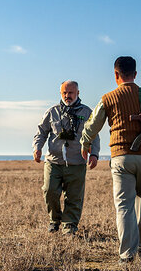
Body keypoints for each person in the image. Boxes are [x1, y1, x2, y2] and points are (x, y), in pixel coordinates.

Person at [80, 56, 141, 262]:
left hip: (121, 158)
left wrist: (85, 144)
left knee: (124, 206)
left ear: (116, 75)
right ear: (136, 74)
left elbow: (92, 125)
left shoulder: (108, 98)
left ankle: (127, 255)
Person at [33, 80, 100, 235]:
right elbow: (41, 132)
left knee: (74, 197)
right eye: (64, 92)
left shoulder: (86, 112)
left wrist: (94, 154)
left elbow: (94, 136)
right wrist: (37, 148)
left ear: (77, 93)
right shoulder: (52, 111)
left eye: (70, 93)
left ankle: (69, 226)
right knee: (50, 191)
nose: (67, 96)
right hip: (53, 161)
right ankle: (54, 221)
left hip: (77, 161)